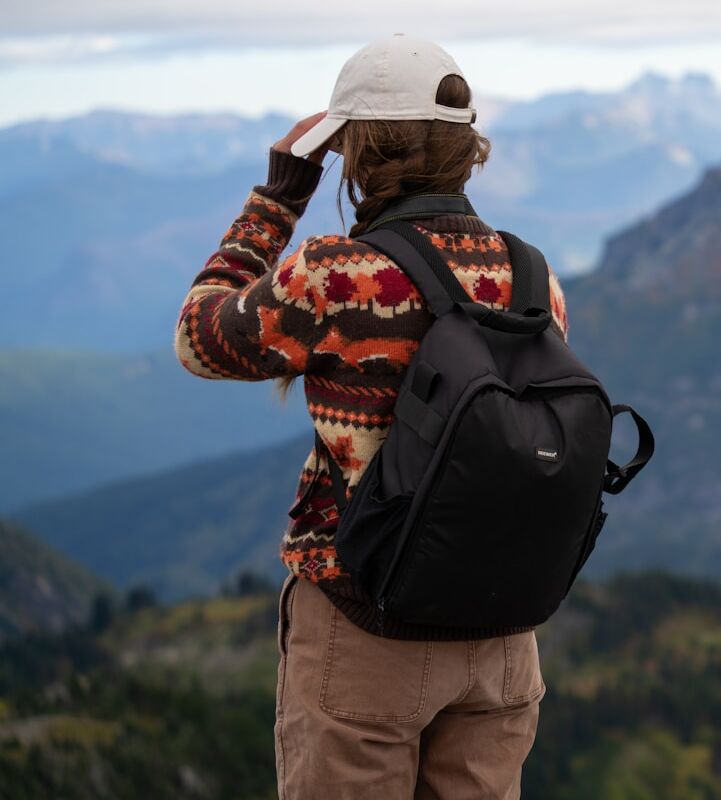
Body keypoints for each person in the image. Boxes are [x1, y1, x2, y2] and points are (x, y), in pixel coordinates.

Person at [173, 33, 568, 799]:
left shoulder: (339, 275)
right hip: (503, 638)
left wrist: (276, 200)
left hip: (367, 627)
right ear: (465, 146)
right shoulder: (532, 276)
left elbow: (200, 338)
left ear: (357, 153)